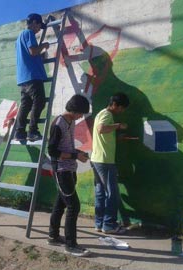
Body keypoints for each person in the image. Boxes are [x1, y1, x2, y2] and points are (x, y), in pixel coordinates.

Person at [47, 94, 91, 257]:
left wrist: (79, 153)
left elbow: (67, 146)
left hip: (70, 168)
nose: (81, 117)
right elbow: (52, 152)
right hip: (61, 170)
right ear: (74, 110)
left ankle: (53, 236)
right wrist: (74, 156)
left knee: (61, 203)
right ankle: (70, 245)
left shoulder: (70, 122)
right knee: (74, 206)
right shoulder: (58, 123)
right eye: (81, 113)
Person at [91, 92, 130, 234]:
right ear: (114, 105)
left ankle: (99, 223)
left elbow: (103, 133)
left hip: (97, 159)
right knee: (111, 193)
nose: (121, 111)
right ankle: (109, 225)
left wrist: (116, 137)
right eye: (121, 108)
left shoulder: (102, 114)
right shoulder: (107, 114)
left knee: (101, 193)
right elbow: (101, 129)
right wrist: (118, 126)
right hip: (105, 161)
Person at [14, 13, 50, 142]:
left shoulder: (18, 39)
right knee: (39, 102)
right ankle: (32, 131)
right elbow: (33, 51)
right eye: (39, 26)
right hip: (33, 76)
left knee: (25, 105)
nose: (39, 29)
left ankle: (19, 132)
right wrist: (44, 46)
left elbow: (29, 56)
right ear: (34, 22)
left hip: (23, 78)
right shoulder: (29, 33)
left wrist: (41, 57)